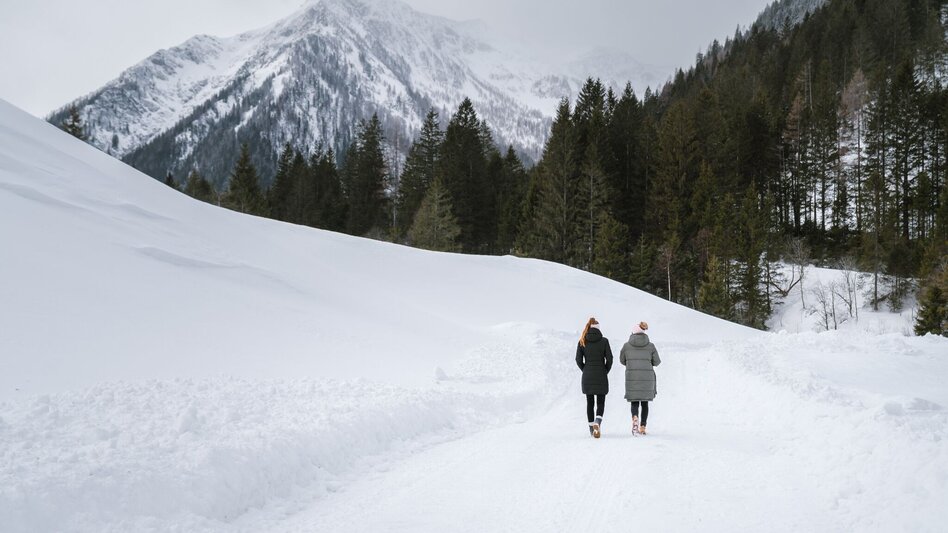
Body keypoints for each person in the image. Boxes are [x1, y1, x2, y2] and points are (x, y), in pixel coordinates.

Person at [619, 321, 661, 435]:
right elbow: (657, 362)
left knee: (634, 401)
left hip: (632, 377)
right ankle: (642, 426)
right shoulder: (651, 346)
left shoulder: (626, 346)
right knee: (645, 403)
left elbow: (622, 360)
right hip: (647, 378)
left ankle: (635, 417)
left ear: (633, 332)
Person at [575, 317, 613, 438]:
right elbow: (610, 359)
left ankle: (592, 429)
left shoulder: (582, 341)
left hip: (588, 375)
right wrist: (605, 370)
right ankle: (598, 421)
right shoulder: (604, 341)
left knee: (589, 402)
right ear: (598, 329)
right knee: (600, 401)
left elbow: (578, 360)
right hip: (601, 374)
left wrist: (585, 369)